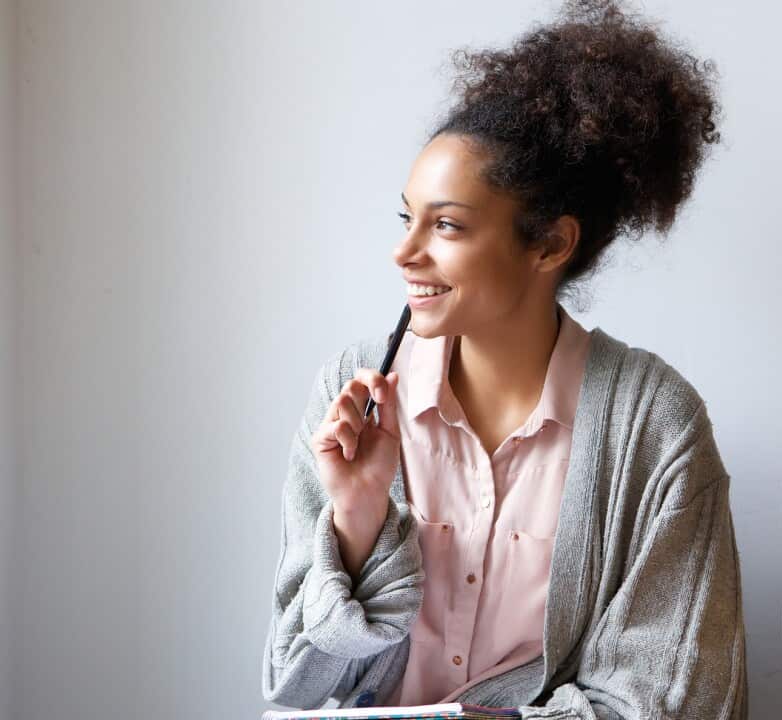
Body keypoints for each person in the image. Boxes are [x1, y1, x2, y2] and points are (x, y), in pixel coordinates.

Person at [261, 0, 747, 717]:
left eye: (447, 225)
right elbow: (292, 683)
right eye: (407, 218)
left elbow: (673, 700)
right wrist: (358, 522)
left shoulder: (657, 425)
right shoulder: (352, 393)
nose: (404, 252)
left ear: (550, 244)